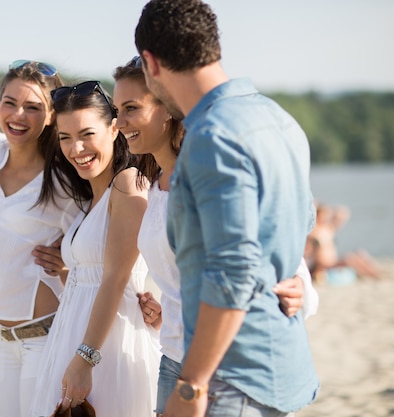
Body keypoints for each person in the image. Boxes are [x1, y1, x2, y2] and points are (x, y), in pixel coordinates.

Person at [134, 1, 320, 416]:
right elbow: (295, 222)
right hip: (279, 365)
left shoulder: (212, 136)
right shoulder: (276, 118)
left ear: (151, 63)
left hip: (230, 379)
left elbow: (232, 271)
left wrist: (191, 386)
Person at [0, 61, 81, 417]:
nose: (17, 114)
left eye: (33, 107)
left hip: (44, 337)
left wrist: (69, 261)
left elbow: (104, 235)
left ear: (52, 115)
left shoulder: (65, 181)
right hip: (0, 339)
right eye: (9, 102)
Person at [29, 80, 161, 417]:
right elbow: (95, 276)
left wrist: (85, 359)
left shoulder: (128, 183)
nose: (76, 149)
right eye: (66, 138)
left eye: (87, 134)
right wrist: (64, 273)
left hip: (108, 346)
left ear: (114, 128)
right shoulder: (92, 198)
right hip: (75, 334)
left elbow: (117, 278)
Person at [305, 202, 381, 284]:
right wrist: (315, 207)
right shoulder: (313, 231)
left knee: (360, 253)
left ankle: (376, 272)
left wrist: (330, 210)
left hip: (334, 261)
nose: (325, 217)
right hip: (323, 265)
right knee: (350, 259)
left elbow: (343, 213)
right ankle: (375, 275)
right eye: (323, 215)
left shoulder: (328, 229)